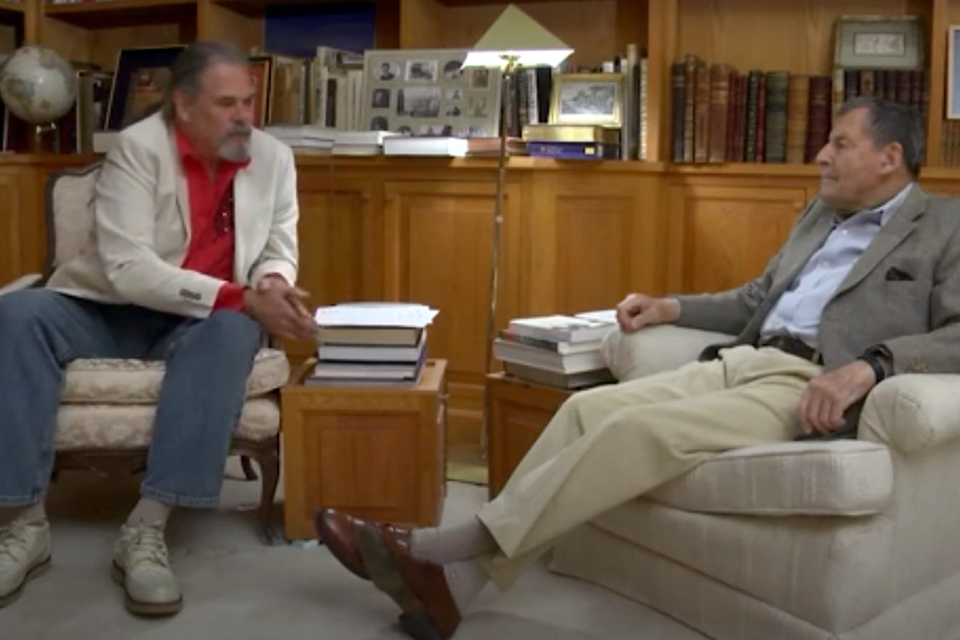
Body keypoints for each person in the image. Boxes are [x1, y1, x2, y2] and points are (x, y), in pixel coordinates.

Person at [314, 96, 960, 640]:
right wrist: (669, 306)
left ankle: (433, 553)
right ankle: (457, 586)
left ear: (888, 158)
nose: (821, 154)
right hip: (742, 358)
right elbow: (756, 300)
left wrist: (872, 368)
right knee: (585, 409)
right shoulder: (821, 215)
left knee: (635, 434)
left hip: (811, 382)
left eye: (839, 143)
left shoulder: (944, 228)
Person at [0, 41, 316, 616]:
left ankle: (146, 528)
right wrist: (238, 294)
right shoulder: (136, 150)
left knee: (233, 332)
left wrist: (270, 285)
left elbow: (279, 245)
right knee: (15, 315)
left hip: (201, 323)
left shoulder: (273, 159)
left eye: (249, 100)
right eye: (227, 104)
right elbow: (127, 269)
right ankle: (23, 522)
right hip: (108, 309)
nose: (244, 115)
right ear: (185, 106)